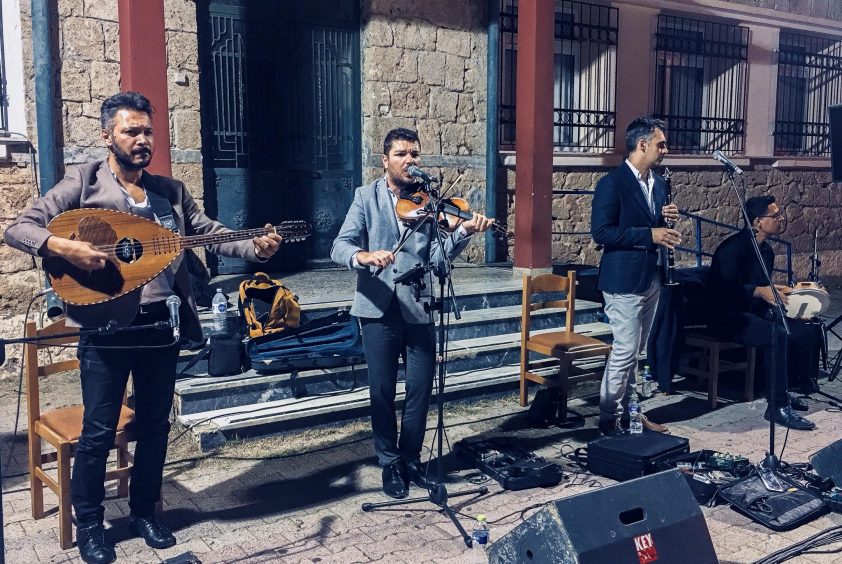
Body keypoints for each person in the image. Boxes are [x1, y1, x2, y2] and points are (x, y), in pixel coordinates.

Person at [4, 91, 281, 564]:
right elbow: (19, 227)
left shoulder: (169, 192)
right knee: (98, 430)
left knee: (155, 425)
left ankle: (144, 512)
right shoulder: (83, 180)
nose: (142, 139)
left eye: (148, 131)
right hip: (107, 328)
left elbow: (209, 233)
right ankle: (89, 523)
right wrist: (64, 248)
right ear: (107, 135)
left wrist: (256, 247)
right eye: (131, 130)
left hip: (160, 328)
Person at [331, 128, 493, 499]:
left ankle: (412, 460)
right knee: (383, 391)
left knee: (421, 389)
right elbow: (339, 245)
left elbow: (436, 260)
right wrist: (363, 256)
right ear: (385, 160)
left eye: (415, 154)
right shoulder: (365, 197)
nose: (410, 160)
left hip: (418, 307)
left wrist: (463, 231)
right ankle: (389, 463)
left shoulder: (428, 203)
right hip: (378, 308)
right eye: (402, 154)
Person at [591, 116, 680, 435]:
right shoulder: (612, 184)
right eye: (661, 144)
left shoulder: (657, 183)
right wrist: (650, 234)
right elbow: (601, 232)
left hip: (652, 276)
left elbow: (652, 224)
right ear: (642, 144)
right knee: (626, 349)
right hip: (624, 280)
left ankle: (630, 414)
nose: (665, 150)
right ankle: (607, 417)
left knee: (638, 353)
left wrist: (663, 220)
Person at [707, 195, 818, 430]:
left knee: (803, 330)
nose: (782, 219)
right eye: (775, 215)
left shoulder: (765, 251)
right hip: (728, 317)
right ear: (757, 222)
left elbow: (764, 286)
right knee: (775, 334)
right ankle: (776, 408)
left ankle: (788, 389)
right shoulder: (731, 249)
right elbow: (723, 292)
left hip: (754, 311)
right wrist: (758, 291)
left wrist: (786, 294)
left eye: (780, 214)